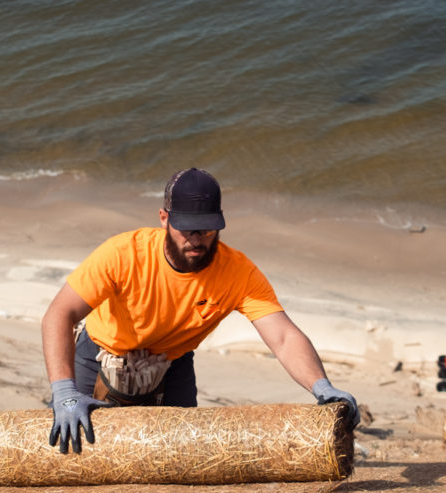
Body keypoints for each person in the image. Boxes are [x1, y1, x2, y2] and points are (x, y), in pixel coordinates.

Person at [41, 167, 360, 453]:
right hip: (100, 352)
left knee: (180, 453)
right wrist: (64, 392)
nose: (197, 240)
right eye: (187, 229)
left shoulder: (238, 272)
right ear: (165, 219)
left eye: (206, 230)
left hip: (173, 360)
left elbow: (283, 337)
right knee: (76, 451)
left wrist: (322, 387)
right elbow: (60, 314)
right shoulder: (123, 254)